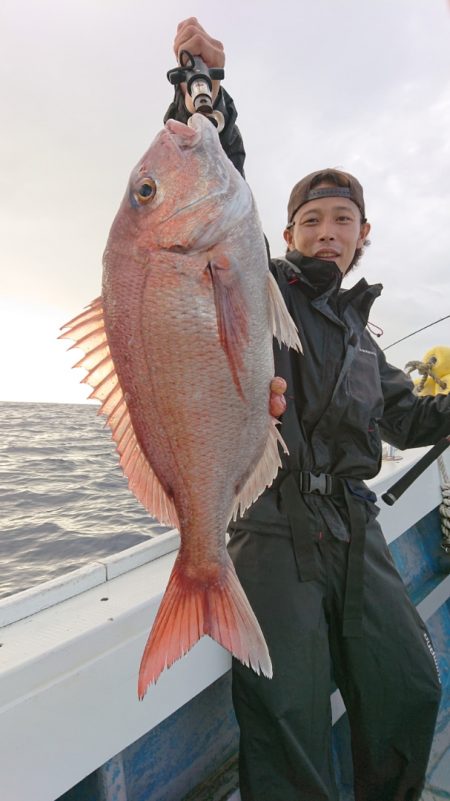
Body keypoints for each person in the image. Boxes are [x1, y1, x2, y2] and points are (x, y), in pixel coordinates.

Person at [166, 18, 450, 801]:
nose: (328, 233)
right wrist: (202, 89)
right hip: (272, 525)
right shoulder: (263, 284)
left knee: (411, 689)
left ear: (363, 238)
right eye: (312, 222)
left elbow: (411, 420)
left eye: (343, 222)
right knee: (287, 715)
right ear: (287, 235)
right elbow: (212, 191)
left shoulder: (363, 337)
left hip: (356, 526)